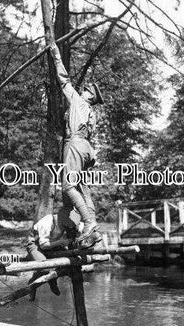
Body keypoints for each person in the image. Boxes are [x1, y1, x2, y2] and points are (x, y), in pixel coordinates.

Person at [50, 43, 104, 249]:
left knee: (68, 186)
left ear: (90, 96)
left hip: (75, 144)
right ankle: (94, 231)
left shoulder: (79, 102)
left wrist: (56, 56)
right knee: (83, 189)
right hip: (86, 149)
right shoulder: (92, 114)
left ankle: (89, 223)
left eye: (87, 90)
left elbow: (64, 81)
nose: (84, 90)